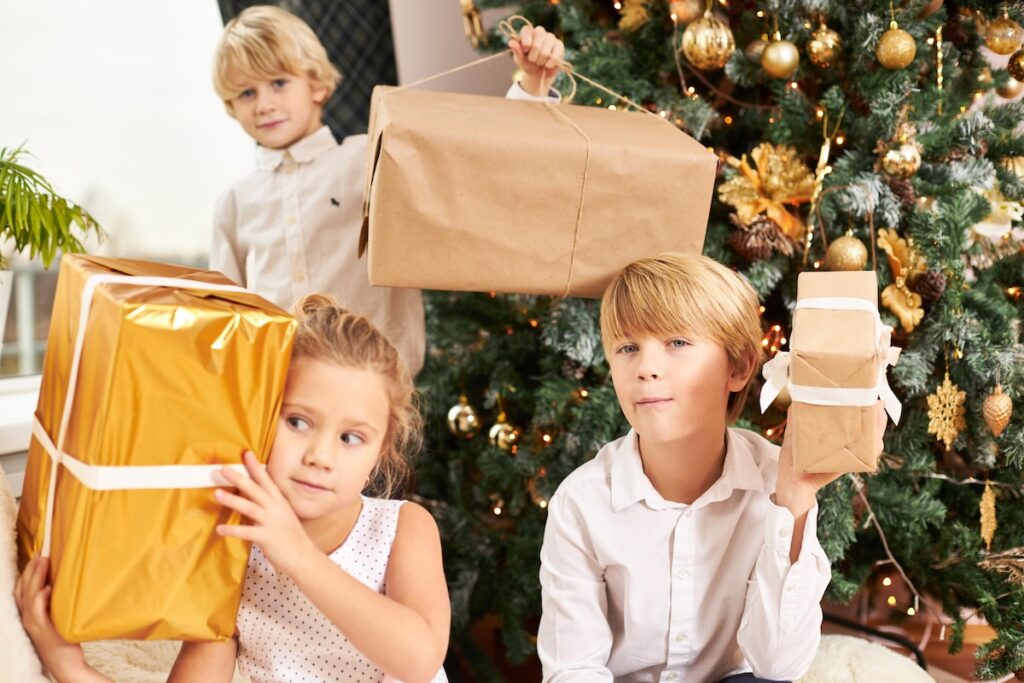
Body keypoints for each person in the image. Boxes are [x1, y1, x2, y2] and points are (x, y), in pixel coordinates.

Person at [17, 294, 450, 683]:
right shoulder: (232, 550)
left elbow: (418, 661)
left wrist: (296, 554)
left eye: (351, 437)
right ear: (258, 418)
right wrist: (68, 665)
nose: (320, 456)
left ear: (383, 449)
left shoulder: (402, 529)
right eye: (298, 422)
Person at [537, 253, 886, 682]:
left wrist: (795, 496)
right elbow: (573, 670)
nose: (645, 368)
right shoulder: (582, 502)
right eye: (628, 348)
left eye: (677, 343)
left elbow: (777, 667)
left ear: (738, 367)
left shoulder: (772, 482)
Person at [208, 5, 565, 376]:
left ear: (316, 83)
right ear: (231, 106)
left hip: (378, 386)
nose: (264, 105)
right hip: (280, 391)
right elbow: (225, 319)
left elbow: (474, 167)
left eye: (278, 83)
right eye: (246, 93)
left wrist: (531, 85)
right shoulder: (234, 203)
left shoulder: (371, 155)